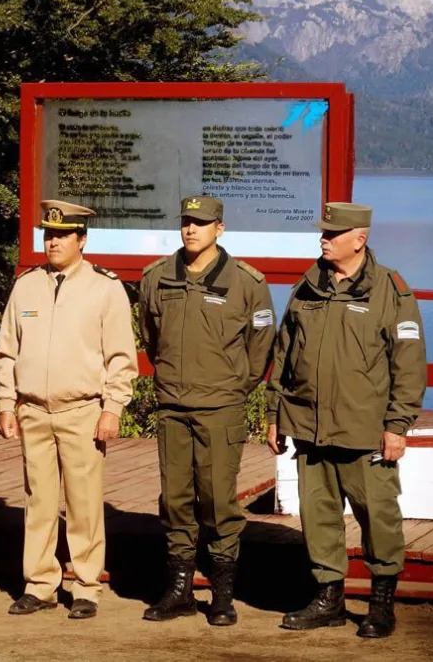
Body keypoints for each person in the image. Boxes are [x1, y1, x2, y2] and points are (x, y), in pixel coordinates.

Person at [267, 202, 426, 638]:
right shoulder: (307, 285)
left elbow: (409, 365)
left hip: (364, 432)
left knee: (378, 518)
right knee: (317, 519)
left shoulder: (390, 290)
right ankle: (329, 599)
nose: (324, 238)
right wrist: (274, 413)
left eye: (333, 233)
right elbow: (283, 354)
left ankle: (380, 603)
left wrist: (397, 426)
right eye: (323, 232)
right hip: (309, 427)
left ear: (360, 239)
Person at [0, 199, 138, 620]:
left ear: (82, 239)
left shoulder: (105, 287)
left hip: (82, 411)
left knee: (84, 503)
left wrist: (113, 408)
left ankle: (88, 586)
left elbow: (120, 357)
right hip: (34, 410)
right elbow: (6, 351)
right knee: (39, 502)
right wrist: (6, 402)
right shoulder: (27, 285)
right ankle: (40, 584)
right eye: (48, 234)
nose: (52, 241)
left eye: (61, 235)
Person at [138, 195, 275, 626]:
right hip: (173, 406)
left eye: (201, 222)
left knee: (218, 499)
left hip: (221, 408)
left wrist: (236, 385)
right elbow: (151, 336)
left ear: (220, 228)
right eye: (186, 222)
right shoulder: (157, 277)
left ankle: (222, 592)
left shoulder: (247, 282)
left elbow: (261, 346)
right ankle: (178, 589)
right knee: (176, 499)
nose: (191, 229)